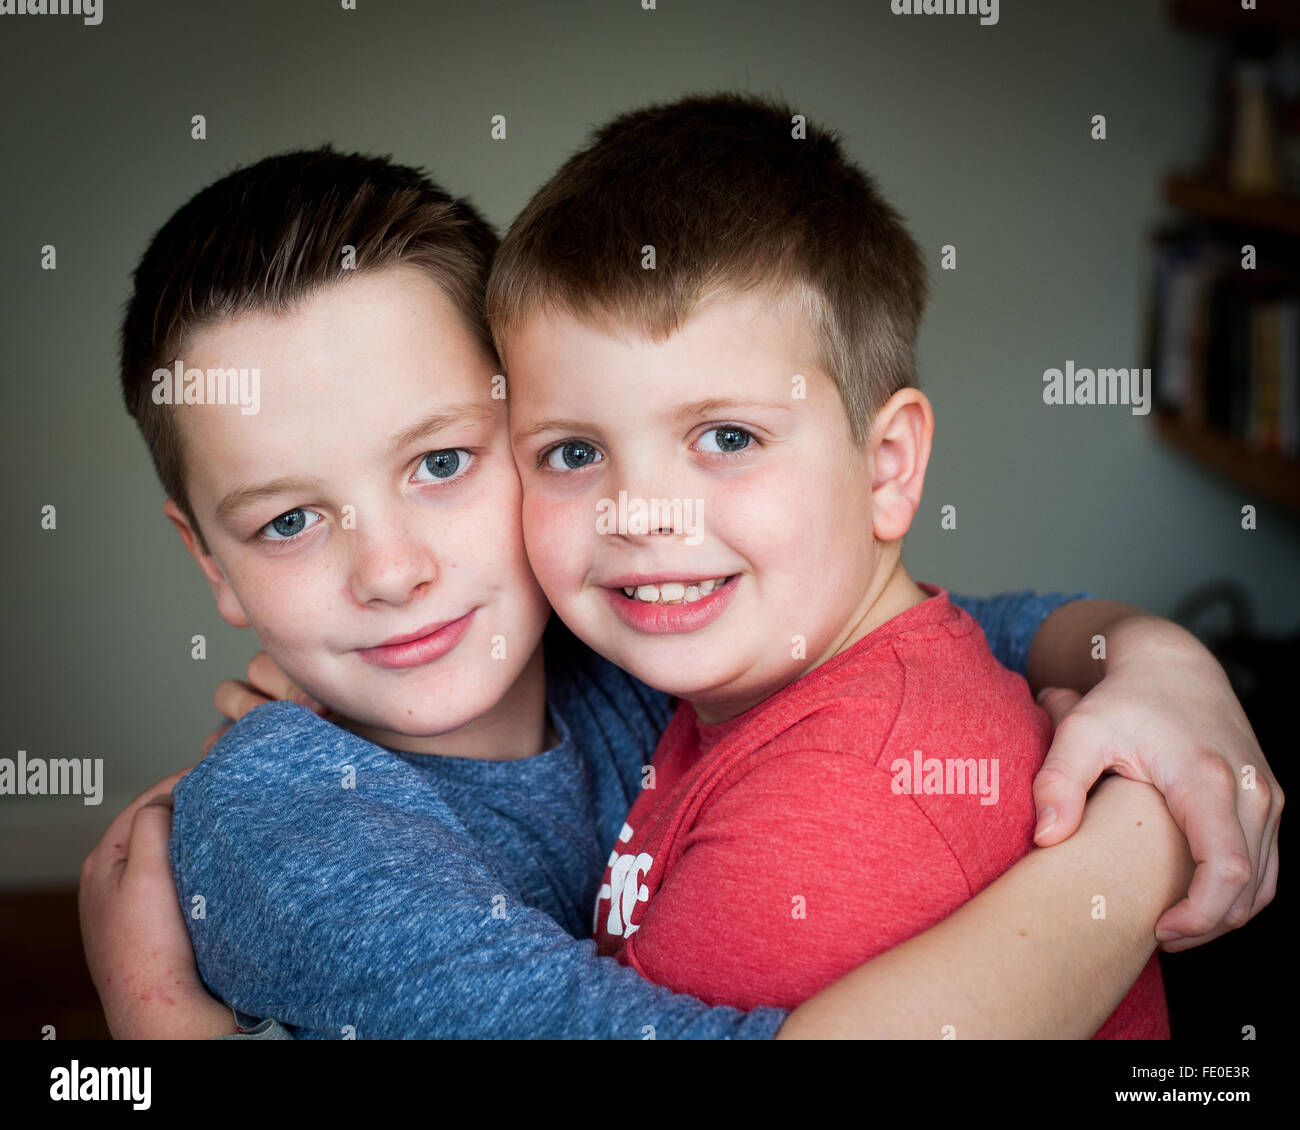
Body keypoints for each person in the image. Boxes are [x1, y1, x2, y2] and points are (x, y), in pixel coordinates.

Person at [78, 140, 1278, 1039]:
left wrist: (1164, 663)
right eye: (288, 520)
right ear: (209, 558)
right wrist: (1139, 846)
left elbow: (938, 620)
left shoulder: (632, 646)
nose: (390, 572)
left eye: (443, 463)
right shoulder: (286, 824)